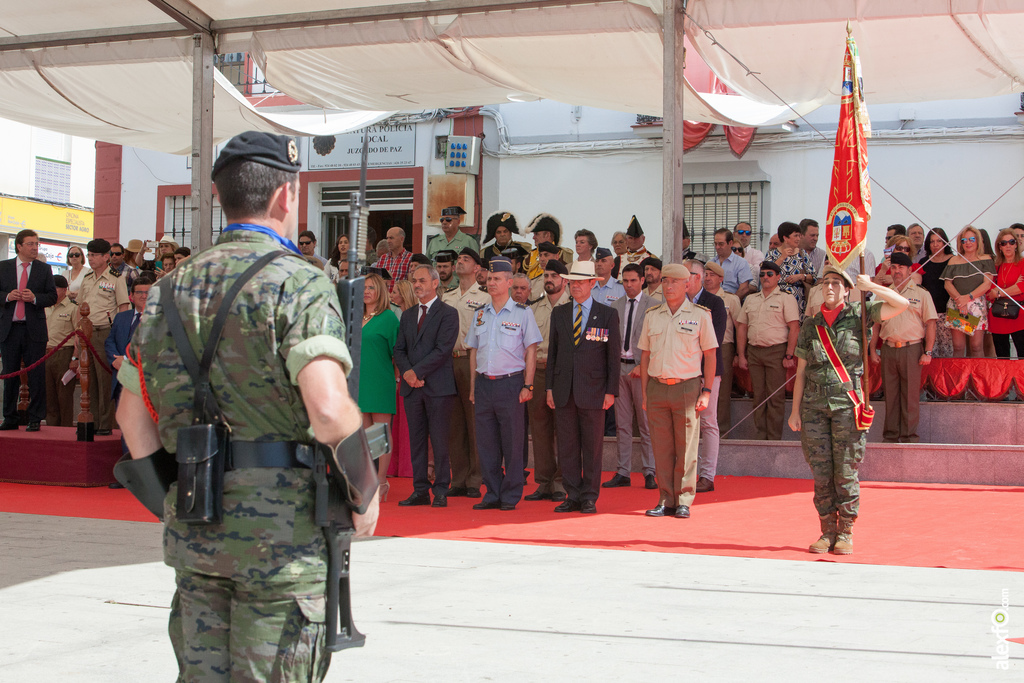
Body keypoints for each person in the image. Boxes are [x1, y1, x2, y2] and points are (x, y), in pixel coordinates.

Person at [115, 131, 378, 681]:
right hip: (280, 544)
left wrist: (173, 496)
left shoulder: (165, 290)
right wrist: (366, 490)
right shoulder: (300, 283)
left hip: (196, 529)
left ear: (216, 194)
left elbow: (130, 418)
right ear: (287, 196)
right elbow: (329, 409)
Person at [788, 268, 908, 555]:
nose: (829, 287)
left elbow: (899, 304)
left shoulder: (860, 315)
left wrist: (872, 287)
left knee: (845, 472)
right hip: (814, 407)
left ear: (846, 290)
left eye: (836, 283)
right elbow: (801, 373)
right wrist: (795, 412)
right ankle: (826, 531)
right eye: (825, 283)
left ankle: (845, 532)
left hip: (847, 406)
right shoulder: (810, 325)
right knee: (821, 472)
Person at [638, 263, 717, 519]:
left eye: (674, 281)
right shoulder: (652, 315)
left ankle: (684, 499)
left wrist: (707, 391)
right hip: (658, 387)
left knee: (686, 446)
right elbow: (645, 356)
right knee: (661, 447)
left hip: (687, 387)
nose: (668, 286)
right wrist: (646, 394)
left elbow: (710, 355)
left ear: (687, 284)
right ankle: (665, 498)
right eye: (664, 281)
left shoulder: (700, 315)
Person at [465, 256, 541, 511]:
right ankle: (492, 493)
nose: (491, 282)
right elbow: (474, 351)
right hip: (485, 384)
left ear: (509, 282)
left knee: (512, 442)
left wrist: (528, 385)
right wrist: (474, 386)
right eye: (489, 278)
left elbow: (531, 350)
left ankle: (510, 495)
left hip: (511, 384)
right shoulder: (479, 314)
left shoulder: (523, 313)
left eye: (497, 279)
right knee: (486, 443)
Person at [546, 260, 619, 514]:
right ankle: (572, 494)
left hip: (594, 392)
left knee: (592, 448)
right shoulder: (560, 313)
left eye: (580, 281)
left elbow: (613, 357)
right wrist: (549, 389)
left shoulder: (608, 314)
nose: (575, 286)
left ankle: (589, 496)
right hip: (564, 390)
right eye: (572, 281)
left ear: (591, 283)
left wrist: (611, 391)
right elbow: (552, 354)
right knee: (566, 446)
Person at [394, 265, 459, 508]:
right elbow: (399, 349)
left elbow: (443, 350)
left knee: (440, 440)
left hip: (438, 387)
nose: (416, 285)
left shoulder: (448, 313)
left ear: (435, 283)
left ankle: (441, 488)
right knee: (417, 440)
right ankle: (420, 489)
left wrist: (414, 371)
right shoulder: (409, 315)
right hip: (413, 389)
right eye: (414, 281)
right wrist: (409, 375)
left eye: (421, 280)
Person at [870, 252, 936, 443]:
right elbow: (876, 324)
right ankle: (890, 436)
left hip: (912, 349)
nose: (897, 271)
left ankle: (909, 437)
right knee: (890, 395)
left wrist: (928, 351)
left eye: (901, 267)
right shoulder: (884, 294)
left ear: (909, 269)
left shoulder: (921, 294)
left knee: (910, 396)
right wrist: (873, 349)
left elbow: (930, 324)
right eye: (894, 267)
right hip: (889, 349)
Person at [441, 247, 489, 498]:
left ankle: (474, 479)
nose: (459, 262)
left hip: (472, 361)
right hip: (449, 361)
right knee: (454, 423)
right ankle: (457, 478)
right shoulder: (447, 296)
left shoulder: (484, 297)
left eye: (465, 259)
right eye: (458, 259)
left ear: (477, 268)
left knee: (474, 422)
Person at [605, 263, 658, 490]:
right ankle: (623, 471)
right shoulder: (614, 306)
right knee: (622, 425)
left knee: (646, 424)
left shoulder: (655, 306)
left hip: (641, 370)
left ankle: (650, 472)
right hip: (619, 368)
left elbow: (658, 342)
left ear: (642, 280)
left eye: (633, 281)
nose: (629, 285)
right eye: (625, 281)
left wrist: (644, 366)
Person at [1, 229, 58, 431]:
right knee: (9, 374)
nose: (35, 248)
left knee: (36, 375)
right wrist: (8, 296)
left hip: (34, 330)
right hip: (9, 329)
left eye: (36, 244)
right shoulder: (4, 267)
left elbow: (52, 296)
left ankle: (35, 418)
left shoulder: (44, 269)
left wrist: (34, 298)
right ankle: (9, 417)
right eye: (31, 244)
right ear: (19, 246)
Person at [736, 261, 800, 440]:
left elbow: (794, 328)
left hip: (776, 352)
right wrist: (741, 355)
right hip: (754, 352)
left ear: (778, 277)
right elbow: (741, 327)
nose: (765, 277)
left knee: (775, 397)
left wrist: (789, 354)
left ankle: (773, 440)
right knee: (758, 396)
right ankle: (759, 438)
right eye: (762, 274)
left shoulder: (786, 298)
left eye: (770, 274)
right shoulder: (750, 299)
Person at [73, 238, 130, 435]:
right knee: (88, 381)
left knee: (105, 379)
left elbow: (123, 306)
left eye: (95, 255)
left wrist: (120, 335)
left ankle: (105, 424)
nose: (91, 258)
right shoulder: (87, 277)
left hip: (105, 331)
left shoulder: (116, 278)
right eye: (89, 255)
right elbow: (81, 306)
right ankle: (92, 421)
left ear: (106, 256)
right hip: (86, 331)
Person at [524, 260, 570, 502]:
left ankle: (561, 482)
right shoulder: (534, 309)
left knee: (563, 429)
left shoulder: (573, 306)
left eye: (554, 275)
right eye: (546, 275)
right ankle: (543, 482)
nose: (549, 279)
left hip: (563, 375)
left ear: (565, 279)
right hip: (539, 371)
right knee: (539, 429)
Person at [685, 260, 727, 493]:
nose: (682, 280)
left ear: (697, 278)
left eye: (686, 275)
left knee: (708, 423)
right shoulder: (678, 302)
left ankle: (707, 475)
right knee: (685, 424)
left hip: (707, 371)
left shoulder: (715, 303)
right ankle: (686, 473)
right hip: (681, 372)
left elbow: (715, 340)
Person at [358, 273, 400, 500]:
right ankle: (368, 480)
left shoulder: (389, 318)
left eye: (371, 287)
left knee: (380, 433)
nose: (366, 291)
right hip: (360, 381)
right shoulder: (356, 316)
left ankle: (382, 482)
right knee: (364, 434)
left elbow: (398, 354)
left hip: (381, 381)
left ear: (380, 292)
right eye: (364, 287)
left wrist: (394, 378)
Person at [941, 225, 995, 357]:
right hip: (957, 305)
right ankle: (959, 377)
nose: (968, 243)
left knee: (976, 346)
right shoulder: (953, 260)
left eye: (971, 239)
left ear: (978, 240)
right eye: (964, 240)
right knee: (958, 347)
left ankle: (977, 377)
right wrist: (961, 300)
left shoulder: (985, 259)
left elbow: (987, 284)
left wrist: (967, 298)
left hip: (976, 306)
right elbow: (948, 284)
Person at [703, 262, 742, 437]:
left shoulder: (731, 299)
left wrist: (739, 353)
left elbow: (739, 327)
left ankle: (723, 430)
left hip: (723, 347)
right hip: (699, 349)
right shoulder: (696, 298)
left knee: (723, 391)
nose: (707, 278)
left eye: (712, 275)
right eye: (706, 274)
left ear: (721, 278)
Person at [105, 272, 155, 403]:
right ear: (131, 296)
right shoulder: (121, 317)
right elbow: (110, 341)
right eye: (139, 292)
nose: (144, 296)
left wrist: (126, 360)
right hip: (120, 379)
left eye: (148, 293)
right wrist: (115, 360)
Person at [44, 275, 77, 427]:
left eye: (56, 288)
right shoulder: (44, 308)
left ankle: (66, 431)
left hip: (64, 353)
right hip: (45, 354)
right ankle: (52, 431)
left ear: (65, 290)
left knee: (64, 398)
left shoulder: (73, 308)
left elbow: (79, 336)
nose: (52, 291)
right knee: (48, 397)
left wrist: (75, 359)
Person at [986, 227, 1024, 358]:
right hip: (998, 317)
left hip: (1019, 316)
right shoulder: (995, 266)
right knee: (1002, 358)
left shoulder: (1022, 263)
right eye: (1004, 243)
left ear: (1016, 245)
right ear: (999, 247)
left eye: (1011, 242)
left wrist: (999, 292)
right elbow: (989, 292)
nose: (1008, 245)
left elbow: (1022, 287)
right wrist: (1013, 288)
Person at [919, 227, 955, 358]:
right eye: (932, 241)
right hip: (929, 314)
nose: (935, 245)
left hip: (950, 313)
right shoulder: (924, 262)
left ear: (945, 242)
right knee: (930, 351)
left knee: (949, 351)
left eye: (939, 241)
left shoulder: (953, 260)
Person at [766, 222, 814, 316]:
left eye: (799, 236)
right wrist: (781, 258)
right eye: (795, 236)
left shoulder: (803, 254)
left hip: (799, 300)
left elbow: (813, 277)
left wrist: (801, 276)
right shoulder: (771, 253)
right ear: (785, 238)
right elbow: (766, 274)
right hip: (776, 298)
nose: (798, 239)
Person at [523, 213, 574, 279]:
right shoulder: (530, 255)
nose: (533, 237)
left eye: (536, 234)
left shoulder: (562, 254)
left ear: (547, 235)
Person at [711, 228, 754, 299]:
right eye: (715, 244)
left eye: (721, 244)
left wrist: (731, 302)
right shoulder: (711, 262)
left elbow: (744, 289)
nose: (717, 247)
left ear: (730, 243)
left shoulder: (741, 263)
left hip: (732, 302)